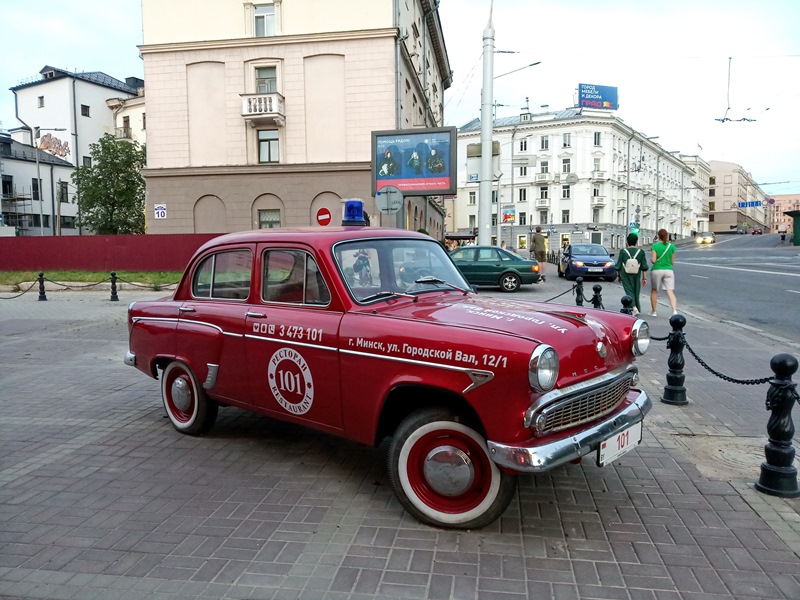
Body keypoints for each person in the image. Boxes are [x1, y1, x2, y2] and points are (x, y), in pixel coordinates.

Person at [615, 233, 648, 315]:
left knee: (629, 291)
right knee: (636, 292)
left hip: (625, 274)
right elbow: (644, 266)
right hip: (637, 274)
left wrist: (618, 275)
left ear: (627, 242)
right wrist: (644, 278)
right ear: (636, 242)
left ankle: (634, 308)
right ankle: (637, 308)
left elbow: (618, 265)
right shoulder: (641, 252)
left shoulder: (623, 251)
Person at [649, 228, 677, 317]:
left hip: (657, 270)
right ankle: (674, 311)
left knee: (654, 291)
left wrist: (652, 259)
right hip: (669, 270)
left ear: (658, 236)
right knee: (670, 291)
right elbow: (672, 262)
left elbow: (653, 260)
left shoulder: (655, 246)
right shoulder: (672, 247)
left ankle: (654, 312)